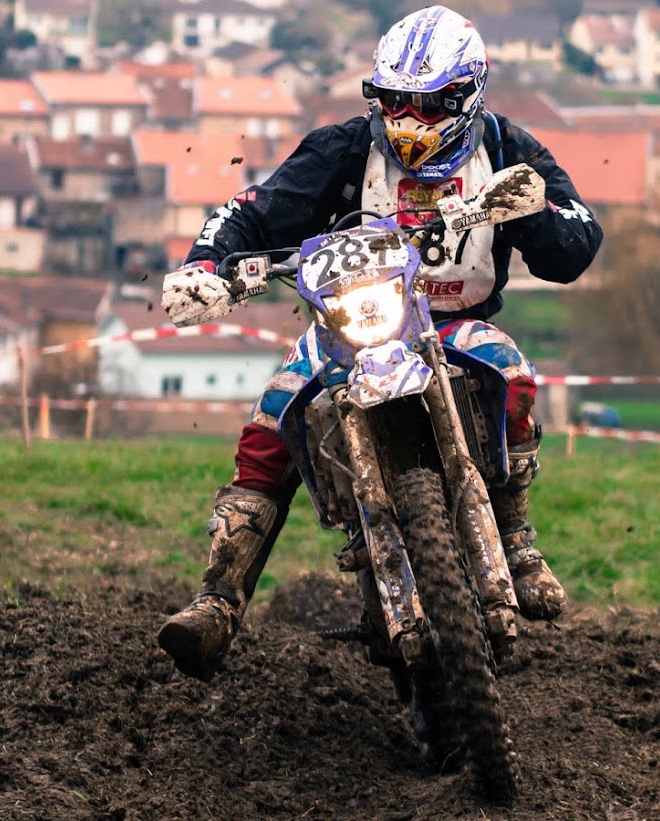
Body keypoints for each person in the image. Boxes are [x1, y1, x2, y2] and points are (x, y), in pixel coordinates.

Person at [156, 5, 605, 682]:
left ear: (467, 96)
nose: (411, 122)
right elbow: (252, 208)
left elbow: (576, 236)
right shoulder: (343, 150)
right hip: (349, 331)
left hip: (455, 329)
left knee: (513, 373)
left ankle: (514, 536)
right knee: (273, 416)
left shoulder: (507, 151)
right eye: (396, 103)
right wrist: (207, 264)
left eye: (429, 106)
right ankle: (217, 599)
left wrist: (535, 210)